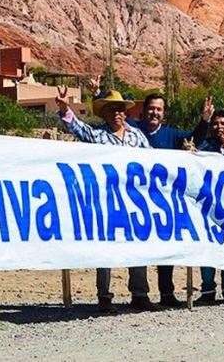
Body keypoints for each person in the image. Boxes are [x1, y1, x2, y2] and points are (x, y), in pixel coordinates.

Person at [86, 77, 213, 308]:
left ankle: (157, 294)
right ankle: (106, 297)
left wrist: (204, 120)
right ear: (142, 112)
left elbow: (195, 138)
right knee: (108, 247)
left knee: (150, 247)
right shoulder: (134, 130)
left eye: (159, 109)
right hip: (117, 197)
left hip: (156, 200)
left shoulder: (172, 135)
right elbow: (111, 114)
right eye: (151, 108)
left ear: (163, 113)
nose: (155, 113)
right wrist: (97, 95)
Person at [55, 85, 160, 313]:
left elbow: (154, 161)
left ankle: (139, 294)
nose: (116, 113)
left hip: (133, 200)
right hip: (106, 201)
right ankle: (104, 296)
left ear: (126, 113)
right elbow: (78, 128)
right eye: (111, 109)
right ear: (104, 113)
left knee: (137, 246)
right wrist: (66, 109)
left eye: (120, 109)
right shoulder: (98, 136)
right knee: (106, 248)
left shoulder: (137, 136)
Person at [195, 110, 224, 305]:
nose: (219, 127)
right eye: (215, 123)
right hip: (207, 205)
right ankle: (207, 289)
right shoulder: (204, 146)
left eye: (223, 123)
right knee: (207, 245)